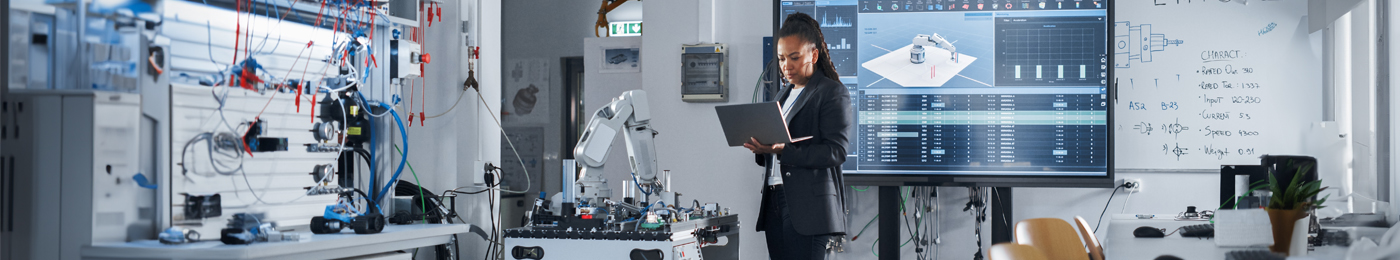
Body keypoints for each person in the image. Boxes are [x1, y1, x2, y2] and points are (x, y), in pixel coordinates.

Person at [743, 12, 852, 260]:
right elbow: (776, 150)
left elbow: (836, 151)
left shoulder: (831, 92)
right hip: (774, 201)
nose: (786, 66)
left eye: (794, 57)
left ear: (813, 55)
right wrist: (762, 149)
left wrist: (783, 150)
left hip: (808, 207)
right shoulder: (782, 94)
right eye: (781, 58)